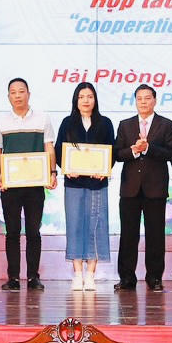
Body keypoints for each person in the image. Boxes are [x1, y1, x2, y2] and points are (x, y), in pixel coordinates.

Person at [0, 78, 57, 291]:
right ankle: (13, 278)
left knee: (33, 232)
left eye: (21, 91)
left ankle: (33, 277)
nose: (17, 95)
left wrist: (52, 172)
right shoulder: (1, 122)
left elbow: (49, 148)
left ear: (29, 94)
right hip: (10, 186)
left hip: (35, 185)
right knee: (12, 232)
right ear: (8, 96)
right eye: (13, 92)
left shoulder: (43, 118)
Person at [113, 84, 172, 291]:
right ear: (135, 101)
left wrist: (149, 148)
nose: (143, 102)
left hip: (155, 188)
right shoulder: (125, 125)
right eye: (139, 98)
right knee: (128, 235)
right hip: (130, 189)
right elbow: (116, 154)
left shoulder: (166, 124)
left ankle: (155, 278)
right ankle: (126, 278)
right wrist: (133, 151)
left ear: (155, 100)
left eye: (147, 98)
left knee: (155, 235)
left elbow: (171, 153)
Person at [56, 82, 116, 291]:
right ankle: (77, 274)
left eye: (90, 96)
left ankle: (90, 274)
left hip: (97, 182)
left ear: (95, 100)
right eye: (81, 97)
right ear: (76, 100)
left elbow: (112, 151)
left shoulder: (105, 123)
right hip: (73, 183)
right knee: (75, 225)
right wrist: (66, 167)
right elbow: (58, 149)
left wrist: (104, 168)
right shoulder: (67, 123)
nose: (86, 100)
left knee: (96, 225)